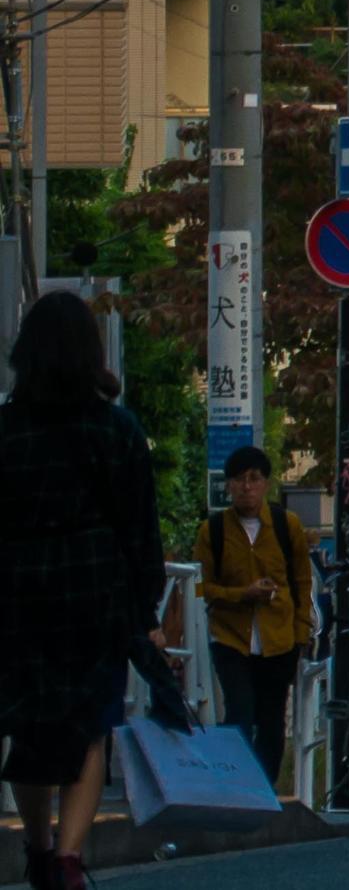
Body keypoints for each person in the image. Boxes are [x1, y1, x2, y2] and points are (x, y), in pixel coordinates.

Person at [0, 290, 167, 890]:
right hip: (95, 593)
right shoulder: (117, 430)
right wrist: (145, 608)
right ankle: (70, 858)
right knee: (89, 729)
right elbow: (139, 528)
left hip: (18, 597)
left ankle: (39, 848)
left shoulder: (6, 430)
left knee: (28, 726)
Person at [198, 445, 311, 781]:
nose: (247, 486)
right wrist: (241, 594)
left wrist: (301, 634)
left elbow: (302, 582)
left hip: (279, 638)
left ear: (266, 484)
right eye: (239, 480)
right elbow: (202, 588)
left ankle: (265, 789)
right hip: (231, 637)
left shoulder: (285, 525)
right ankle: (237, 786)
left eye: (254, 479)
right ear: (228, 485)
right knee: (239, 713)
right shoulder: (213, 531)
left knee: (272, 718)